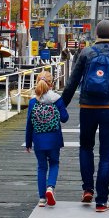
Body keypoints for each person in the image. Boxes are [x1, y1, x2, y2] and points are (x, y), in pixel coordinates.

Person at [61, 19, 109, 213]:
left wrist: (61, 106)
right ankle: (102, 201)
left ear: (96, 34)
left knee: (86, 148)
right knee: (107, 155)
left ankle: (87, 189)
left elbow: (72, 82)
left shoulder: (86, 53)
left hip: (87, 106)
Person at [25, 70, 69, 208]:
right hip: (54, 138)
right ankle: (50, 187)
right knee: (54, 163)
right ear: (52, 83)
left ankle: (42, 198)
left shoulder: (33, 101)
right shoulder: (56, 99)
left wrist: (28, 143)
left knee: (42, 167)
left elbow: (29, 123)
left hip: (38, 139)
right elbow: (65, 118)